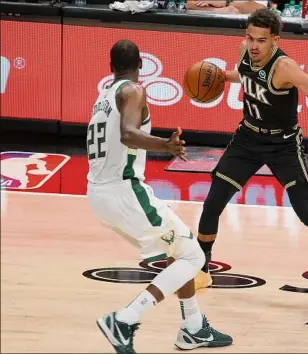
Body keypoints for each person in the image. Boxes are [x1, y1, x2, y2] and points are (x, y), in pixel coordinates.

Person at [194, 8, 308, 309]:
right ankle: (201, 267)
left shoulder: (285, 67)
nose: (253, 45)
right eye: (250, 38)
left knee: (305, 211)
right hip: (248, 138)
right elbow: (246, 74)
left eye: (261, 41)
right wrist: (225, 77)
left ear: (274, 40)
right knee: (213, 201)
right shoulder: (244, 52)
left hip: (284, 144)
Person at [86, 39, 232, 353]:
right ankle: (124, 320)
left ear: (111, 67)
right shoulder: (134, 91)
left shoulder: (103, 96)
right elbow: (128, 134)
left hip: (99, 194)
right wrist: (165, 146)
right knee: (194, 255)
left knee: (177, 251)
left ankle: (193, 327)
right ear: (140, 65)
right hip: (124, 192)